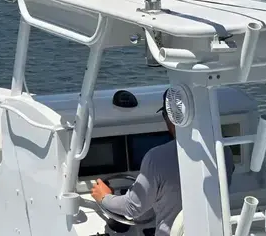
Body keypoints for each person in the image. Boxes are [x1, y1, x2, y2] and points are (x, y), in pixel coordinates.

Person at [91, 88, 235, 236]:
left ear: (170, 118)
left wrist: (104, 197)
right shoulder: (225, 152)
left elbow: (132, 207)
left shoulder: (156, 158)